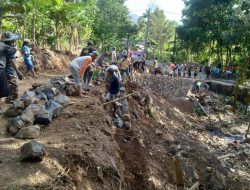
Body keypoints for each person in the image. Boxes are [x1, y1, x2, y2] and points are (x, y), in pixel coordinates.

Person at [2, 31, 24, 103]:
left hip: (4, 71)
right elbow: (12, 62)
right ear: (11, 40)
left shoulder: (3, 47)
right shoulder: (9, 48)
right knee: (14, 88)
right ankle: (11, 102)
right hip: (9, 71)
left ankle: (9, 99)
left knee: (8, 86)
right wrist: (18, 72)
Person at [0, 42, 17, 114]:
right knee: (2, 90)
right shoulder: (3, 46)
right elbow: (12, 53)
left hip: (2, 70)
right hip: (1, 70)